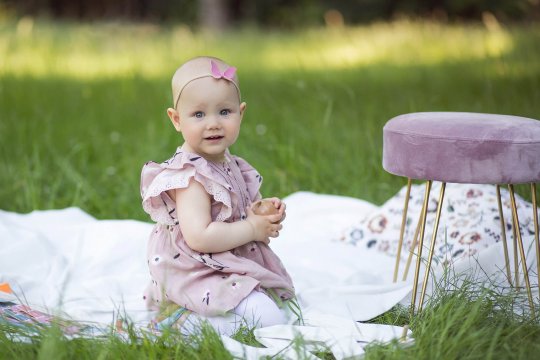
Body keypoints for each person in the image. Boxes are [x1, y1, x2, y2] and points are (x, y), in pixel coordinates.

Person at [140, 56, 295, 336]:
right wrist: (250, 229)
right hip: (195, 271)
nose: (213, 123)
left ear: (241, 113)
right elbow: (199, 237)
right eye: (198, 115)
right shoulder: (190, 177)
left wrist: (259, 214)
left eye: (224, 112)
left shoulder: (226, 161)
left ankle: (212, 312)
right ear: (176, 119)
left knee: (278, 307)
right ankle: (184, 322)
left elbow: (231, 209)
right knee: (270, 319)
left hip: (222, 262)